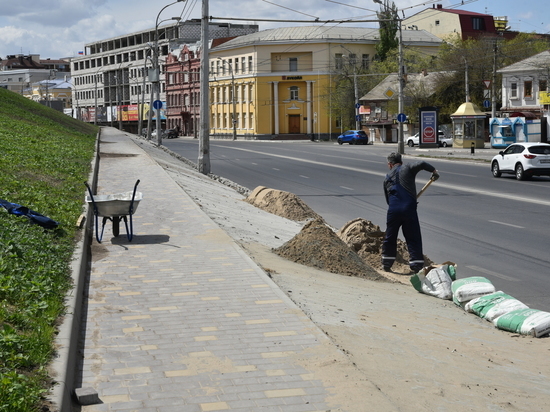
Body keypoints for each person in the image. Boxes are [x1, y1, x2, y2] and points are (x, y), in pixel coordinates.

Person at [382, 152, 439, 274]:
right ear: (400, 162)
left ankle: (386, 263)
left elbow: (388, 200)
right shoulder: (407, 168)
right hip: (409, 209)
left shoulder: (386, 178)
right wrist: (434, 171)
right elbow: (422, 163)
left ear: (390, 164)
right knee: (413, 237)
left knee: (390, 236)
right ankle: (416, 265)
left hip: (393, 210)